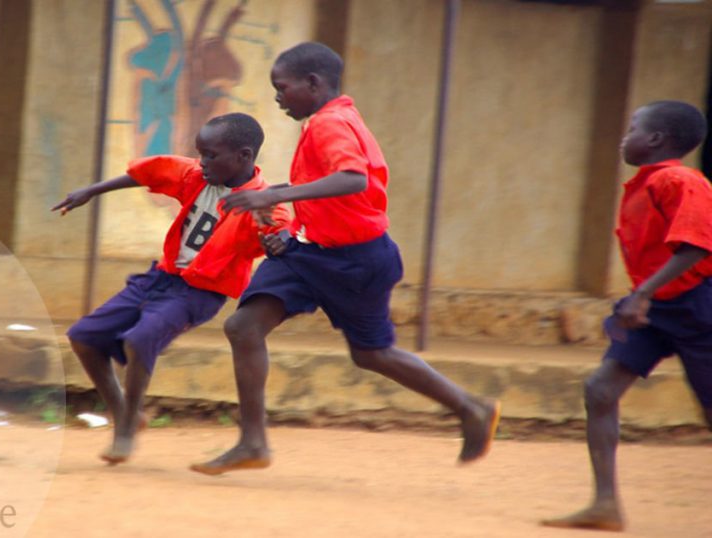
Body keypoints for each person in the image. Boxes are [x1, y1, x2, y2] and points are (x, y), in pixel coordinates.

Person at [190, 42, 500, 476]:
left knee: (372, 354)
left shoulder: (330, 123)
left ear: (313, 83)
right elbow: (331, 188)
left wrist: (275, 195)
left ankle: (471, 407)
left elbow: (353, 179)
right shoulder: (331, 119)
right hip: (312, 252)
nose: (278, 97)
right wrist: (281, 206)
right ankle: (253, 442)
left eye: (282, 87)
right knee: (244, 326)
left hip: (357, 260)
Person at [53, 112, 290, 464]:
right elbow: (148, 173)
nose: (202, 161)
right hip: (162, 277)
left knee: (140, 338)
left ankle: (125, 430)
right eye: (201, 153)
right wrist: (91, 190)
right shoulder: (196, 175)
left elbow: (279, 229)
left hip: (200, 291)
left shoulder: (260, 200)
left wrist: (279, 242)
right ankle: (125, 411)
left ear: (243, 156)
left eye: (211, 155)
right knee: (83, 337)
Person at [542, 101, 712, 532]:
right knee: (600, 390)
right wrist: (645, 297)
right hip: (658, 308)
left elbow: (696, 245)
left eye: (632, 128)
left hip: (697, 306)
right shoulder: (649, 183)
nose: (624, 137)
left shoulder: (680, 180)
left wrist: (641, 294)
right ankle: (605, 505)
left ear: (655, 139)